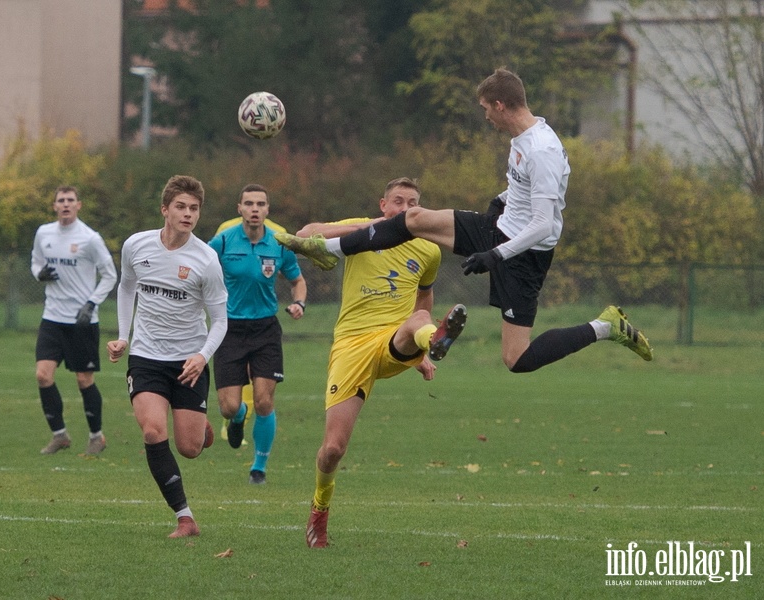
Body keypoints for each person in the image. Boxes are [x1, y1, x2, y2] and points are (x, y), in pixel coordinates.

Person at [276, 68, 653, 377]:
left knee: (516, 360)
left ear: (502, 105)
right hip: (498, 228)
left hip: (525, 254)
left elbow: (542, 223)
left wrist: (495, 256)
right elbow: (523, 192)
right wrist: (501, 201)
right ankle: (326, 250)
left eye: (487, 108)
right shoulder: (522, 138)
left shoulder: (543, 151)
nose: (486, 115)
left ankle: (605, 326)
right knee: (413, 218)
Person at [282, 177, 468, 548]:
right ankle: (318, 514)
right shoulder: (362, 232)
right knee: (333, 449)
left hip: (393, 339)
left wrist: (422, 345)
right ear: (383, 205)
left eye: (412, 203)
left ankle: (433, 341)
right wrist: (371, 228)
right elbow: (306, 235)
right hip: (350, 347)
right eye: (397, 202)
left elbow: (424, 302)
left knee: (418, 320)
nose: (405, 209)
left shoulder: (428, 250)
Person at [106, 175, 228, 538]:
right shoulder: (136, 246)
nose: (188, 214)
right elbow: (127, 286)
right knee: (151, 430)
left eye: (194, 209)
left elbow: (221, 320)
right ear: (165, 209)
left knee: (189, 448)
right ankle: (185, 517)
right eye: (181, 207)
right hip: (145, 357)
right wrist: (122, 337)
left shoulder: (206, 260)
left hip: (189, 361)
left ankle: (199, 427)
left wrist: (203, 356)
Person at [209, 184, 308, 485]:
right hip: (228, 329)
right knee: (228, 406)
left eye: (260, 204)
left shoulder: (278, 244)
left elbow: (297, 280)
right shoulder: (222, 243)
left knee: (264, 401)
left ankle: (258, 468)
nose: (254, 209)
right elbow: (198, 271)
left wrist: (298, 302)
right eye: (249, 203)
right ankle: (238, 418)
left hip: (265, 328)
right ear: (239, 208)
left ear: (267, 210)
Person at [31, 185, 117, 455]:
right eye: (61, 200)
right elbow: (35, 262)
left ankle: (96, 436)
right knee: (43, 376)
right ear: (54, 205)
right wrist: (39, 274)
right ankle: (60, 436)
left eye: (70, 200)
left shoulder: (90, 238)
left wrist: (91, 303)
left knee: (84, 380)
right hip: (52, 318)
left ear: (79, 205)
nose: (65, 204)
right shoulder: (44, 233)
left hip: (82, 322)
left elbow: (111, 274)